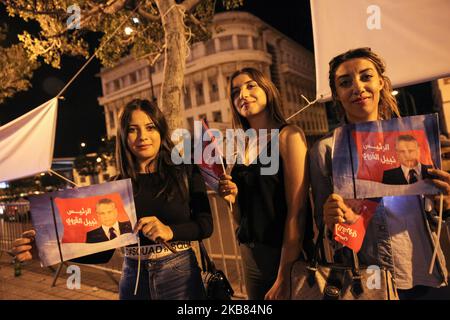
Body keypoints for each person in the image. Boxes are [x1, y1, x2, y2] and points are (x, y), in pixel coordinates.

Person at [12, 99, 213, 300]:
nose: (143, 136)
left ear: (160, 129)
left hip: (179, 276)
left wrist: (170, 231)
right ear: (124, 136)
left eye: (150, 127)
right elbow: (103, 252)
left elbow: (205, 225)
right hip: (133, 278)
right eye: (133, 130)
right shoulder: (114, 186)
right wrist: (47, 250)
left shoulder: (185, 171)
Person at [310, 47, 449, 300]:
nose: (357, 87)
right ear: (336, 95)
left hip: (426, 270)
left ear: (381, 83)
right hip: (370, 279)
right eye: (345, 83)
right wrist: (331, 219)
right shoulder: (326, 151)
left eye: (366, 77)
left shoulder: (418, 139)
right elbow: (327, 227)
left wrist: (446, 203)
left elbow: (439, 212)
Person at [218, 67, 310, 300]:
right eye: (236, 91)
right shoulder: (241, 145)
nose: (243, 94)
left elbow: (297, 212)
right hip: (250, 256)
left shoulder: (289, 136)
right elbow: (240, 217)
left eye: (251, 86)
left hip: (285, 257)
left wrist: (284, 274)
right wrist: (232, 198)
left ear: (268, 90)